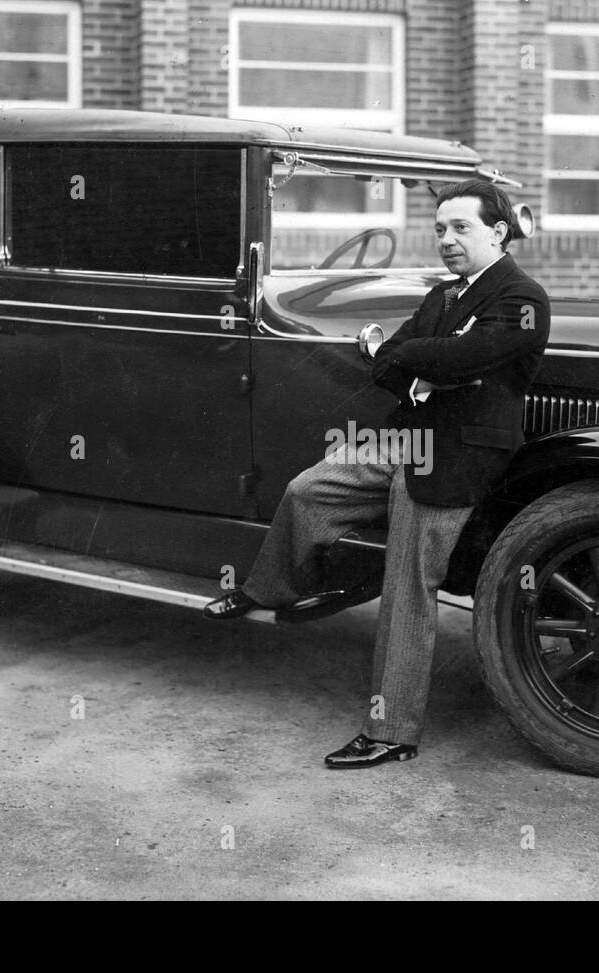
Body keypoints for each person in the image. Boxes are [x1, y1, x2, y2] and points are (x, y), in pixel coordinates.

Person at [204, 179, 551, 768]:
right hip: (406, 438)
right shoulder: (444, 297)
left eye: (460, 228)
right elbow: (389, 359)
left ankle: (392, 733)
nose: (446, 240)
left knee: (408, 590)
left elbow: (459, 358)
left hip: (459, 456)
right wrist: (423, 365)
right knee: (307, 490)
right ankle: (271, 588)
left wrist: (417, 359)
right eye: (439, 229)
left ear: (497, 232)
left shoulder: (522, 299)